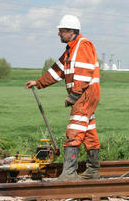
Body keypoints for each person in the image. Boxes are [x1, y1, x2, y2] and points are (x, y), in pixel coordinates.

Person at [25, 15, 101, 181]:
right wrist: (38, 82)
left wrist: (74, 95)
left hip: (85, 94)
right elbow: (57, 71)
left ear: (71, 31)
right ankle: (93, 171)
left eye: (61, 31)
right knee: (88, 131)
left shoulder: (83, 45)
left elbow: (85, 72)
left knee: (74, 130)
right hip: (84, 94)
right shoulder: (70, 49)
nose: (59, 34)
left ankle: (69, 174)